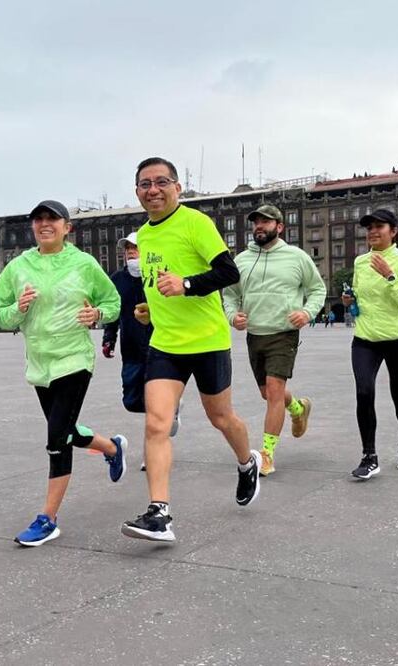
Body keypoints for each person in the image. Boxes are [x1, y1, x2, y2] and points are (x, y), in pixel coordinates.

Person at [121, 157, 258, 543]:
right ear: (137, 192)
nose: (153, 190)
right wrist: (150, 310)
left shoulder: (196, 223)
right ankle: (159, 513)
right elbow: (157, 281)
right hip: (165, 344)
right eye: (145, 184)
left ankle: (247, 462)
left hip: (207, 341)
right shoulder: (143, 235)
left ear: (177, 188)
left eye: (161, 182)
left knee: (222, 418)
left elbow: (229, 272)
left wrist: (186, 285)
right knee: (156, 424)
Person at [0, 199, 127, 547]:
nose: (44, 224)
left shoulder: (84, 264)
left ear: (67, 228)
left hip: (74, 359)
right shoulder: (18, 267)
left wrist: (96, 314)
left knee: (57, 439)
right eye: (38, 219)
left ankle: (48, 519)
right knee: (65, 428)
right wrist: (18, 309)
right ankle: (112, 448)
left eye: (52, 219)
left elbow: (113, 303)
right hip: (40, 363)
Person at [222, 203, 325, 476]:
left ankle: (267, 454)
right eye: (256, 222)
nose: (259, 226)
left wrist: (307, 312)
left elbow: (317, 289)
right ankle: (298, 408)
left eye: (266, 222)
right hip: (255, 333)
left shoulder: (297, 257)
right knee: (267, 393)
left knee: (275, 389)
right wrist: (232, 316)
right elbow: (230, 295)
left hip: (284, 332)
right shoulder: (242, 260)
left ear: (279, 227)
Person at [341, 208, 398, 480]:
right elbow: (360, 298)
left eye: (379, 227)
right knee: (364, 392)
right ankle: (369, 456)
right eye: (369, 228)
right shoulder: (360, 262)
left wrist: (389, 276)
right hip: (365, 338)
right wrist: (350, 301)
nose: (373, 232)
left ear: (394, 231)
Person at [101, 231, 181, 471]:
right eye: (127, 249)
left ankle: (154, 447)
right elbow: (113, 312)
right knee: (132, 401)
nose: (131, 253)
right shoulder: (117, 279)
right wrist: (109, 338)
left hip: (159, 346)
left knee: (154, 403)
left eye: (135, 248)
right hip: (131, 348)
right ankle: (171, 409)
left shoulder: (158, 277)